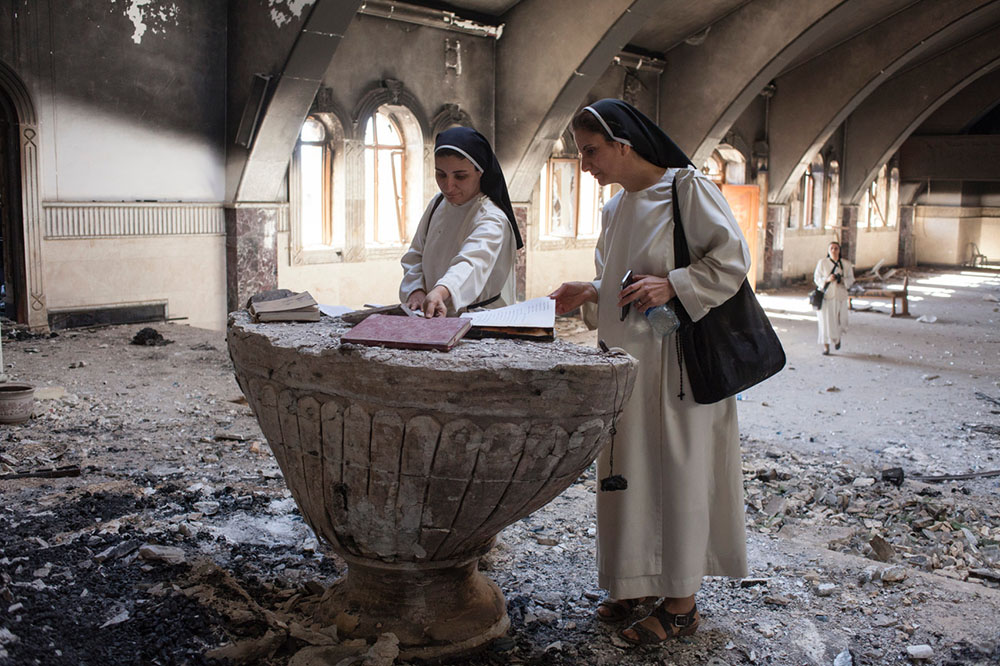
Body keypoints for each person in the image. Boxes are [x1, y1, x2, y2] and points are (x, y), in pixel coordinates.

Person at [549, 99, 750, 646]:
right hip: (625, 363)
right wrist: (589, 290)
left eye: (591, 151)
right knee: (627, 474)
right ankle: (634, 581)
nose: (585, 163)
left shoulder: (686, 190)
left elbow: (731, 261)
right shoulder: (615, 210)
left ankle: (681, 603)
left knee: (677, 475)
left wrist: (675, 284)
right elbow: (619, 281)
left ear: (624, 143)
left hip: (679, 365)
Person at [399, 126, 523, 318]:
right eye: (441, 174)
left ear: (480, 171)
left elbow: (472, 262)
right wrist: (416, 290)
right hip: (433, 312)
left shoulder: (491, 217)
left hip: (479, 319)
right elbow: (416, 255)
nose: (448, 186)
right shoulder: (438, 203)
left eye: (460, 176)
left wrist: (441, 291)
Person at [813, 240, 855, 355]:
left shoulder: (846, 264)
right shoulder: (822, 263)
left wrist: (842, 280)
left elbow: (851, 279)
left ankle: (837, 339)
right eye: (831, 248)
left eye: (836, 248)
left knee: (839, 320)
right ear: (828, 250)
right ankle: (826, 346)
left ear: (839, 250)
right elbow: (816, 278)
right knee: (825, 321)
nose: (834, 251)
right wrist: (827, 279)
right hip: (826, 296)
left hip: (840, 295)